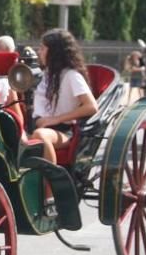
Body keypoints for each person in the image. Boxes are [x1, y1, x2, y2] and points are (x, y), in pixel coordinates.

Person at [28, 29, 97, 215]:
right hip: (42, 126)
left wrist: (55, 119)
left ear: (54, 51)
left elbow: (91, 106)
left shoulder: (71, 76)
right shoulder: (47, 75)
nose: (39, 52)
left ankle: (50, 195)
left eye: (42, 48)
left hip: (63, 131)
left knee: (41, 136)